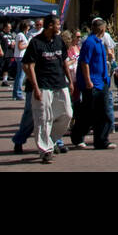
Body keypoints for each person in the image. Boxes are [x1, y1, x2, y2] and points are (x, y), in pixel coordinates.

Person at [22, 15, 71, 163]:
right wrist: (35, 88)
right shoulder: (36, 42)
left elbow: (64, 62)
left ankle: (50, 140)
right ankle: (45, 151)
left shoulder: (59, 41)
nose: (59, 27)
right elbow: (28, 66)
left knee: (67, 114)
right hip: (42, 85)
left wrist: (70, 81)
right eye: (57, 24)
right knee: (43, 118)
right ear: (50, 25)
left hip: (60, 83)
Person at [71, 18, 116, 150]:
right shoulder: (89, 42)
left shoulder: (99, 42)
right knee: (88, 113)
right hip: (92, 83)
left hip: (101, 81)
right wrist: (88, 80)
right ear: (102, 29)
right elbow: (85, 62)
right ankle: (77, 136)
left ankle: (101, 140)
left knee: (103, 112)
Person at [11, 21, 30, 99]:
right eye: (28, 26)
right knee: (21, 76)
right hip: (21, 57)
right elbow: (20, 47)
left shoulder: (20, 35)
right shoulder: (21, 35)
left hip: (19, 56)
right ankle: (18, 93)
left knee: (19, 75)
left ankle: (15, 93)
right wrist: (28, 44)